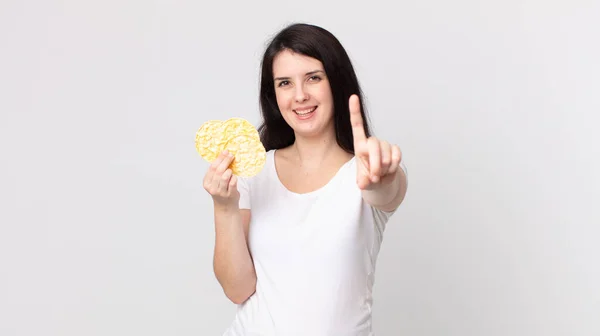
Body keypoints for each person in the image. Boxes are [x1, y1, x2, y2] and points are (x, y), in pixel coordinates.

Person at [203, 23, 408, 336]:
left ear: (336, 83)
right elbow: (237, 289)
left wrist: (381, 177)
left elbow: (386, 191)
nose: (300, 96)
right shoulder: (253, 173)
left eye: (313, 77)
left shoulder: (369, 172)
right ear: (274, 95)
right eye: (285, 83)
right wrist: (224, 206)